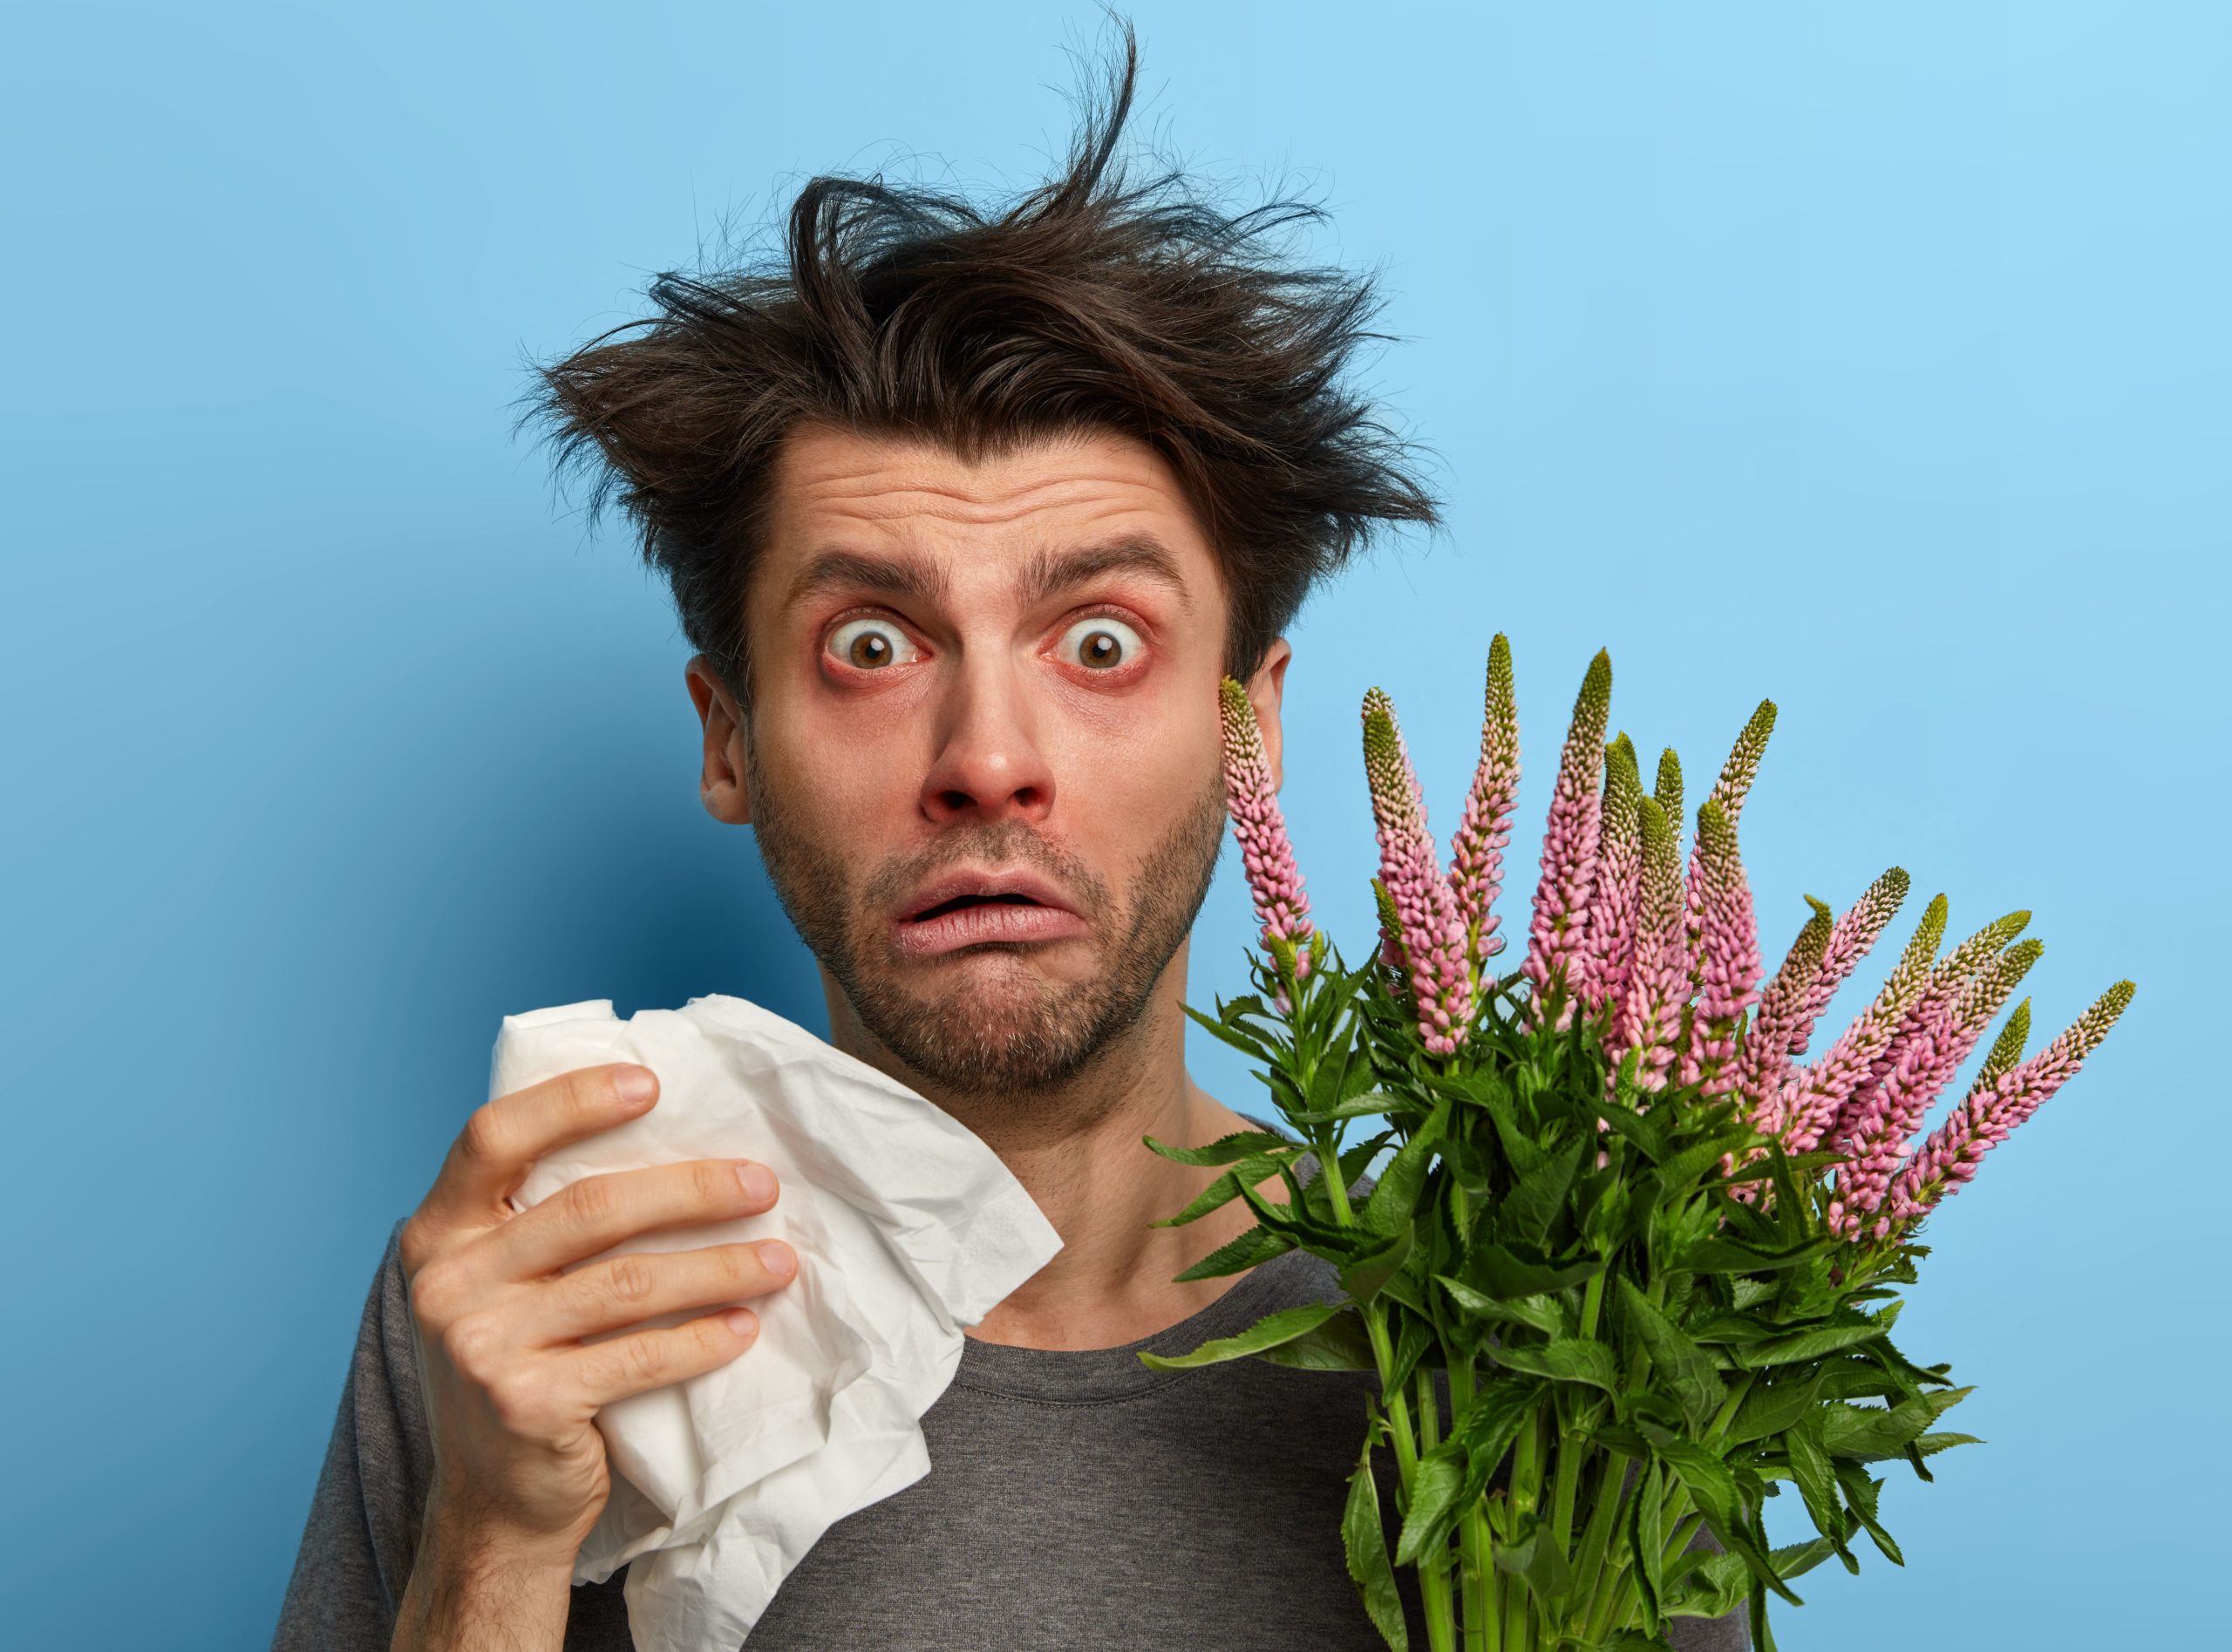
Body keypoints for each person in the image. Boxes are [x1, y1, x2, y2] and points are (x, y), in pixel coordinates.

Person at [270, 29, 1745, 1652]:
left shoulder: (1549, 1363)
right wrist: (492, 1537)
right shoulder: (532, 1311)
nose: (986, 761)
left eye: (1100, 642)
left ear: (1246, 732)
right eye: (872, 646)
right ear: (726, 739)